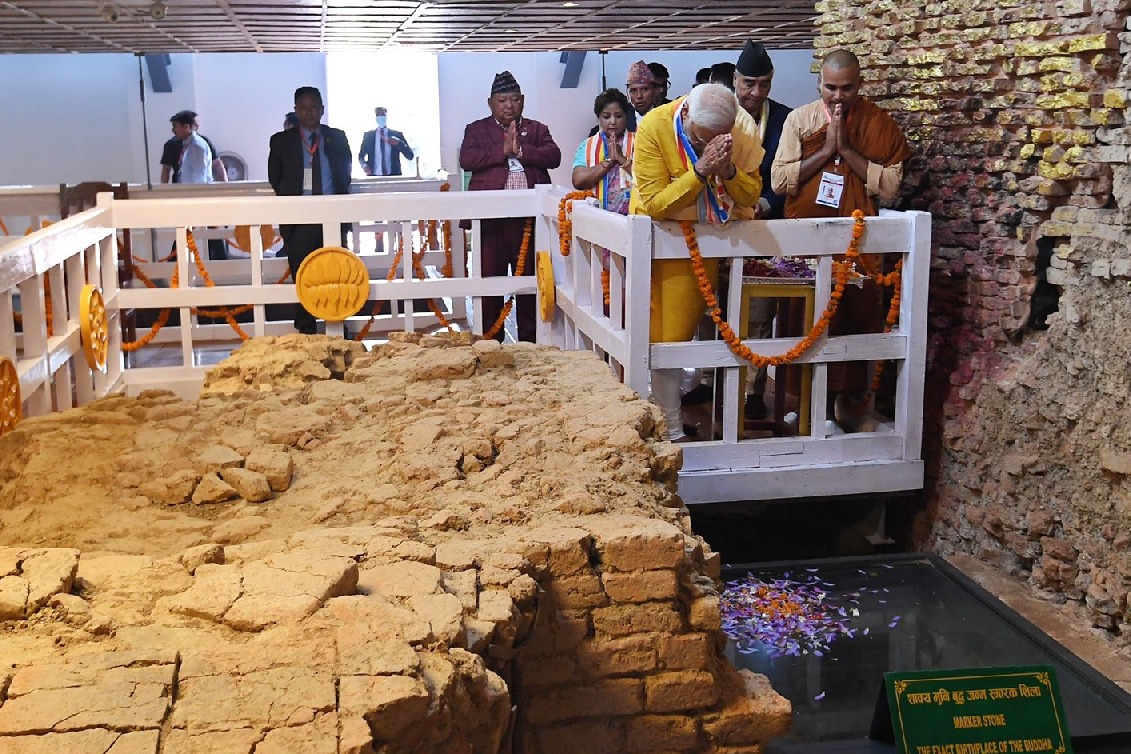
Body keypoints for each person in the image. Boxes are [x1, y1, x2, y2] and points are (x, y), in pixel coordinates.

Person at [770, 48, 913, 431]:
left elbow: (890, 187)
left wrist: (847, 150)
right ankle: (807, 407)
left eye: (846, 89)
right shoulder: (801, 120)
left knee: (855, 318)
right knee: (804, 322)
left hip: (858, 245)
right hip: (806, 246)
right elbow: (780, 181)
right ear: (819, 83)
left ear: (860, 85)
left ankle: (849, 409)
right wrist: (827, 151)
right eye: (830, 88)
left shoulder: (877, 123)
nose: (837, 96)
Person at [631, 83, 765, 441]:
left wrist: (730, 172)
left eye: (715, 140)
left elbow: (751, 195)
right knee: (667, 336)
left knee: (711, 334)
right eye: (700, 139)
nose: (708, 146)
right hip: (665, 243)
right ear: (686, 112)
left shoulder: (743, 128)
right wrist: (701, 171)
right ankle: (671, 429)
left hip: (718, 242)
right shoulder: (655, 125)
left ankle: (676, 420)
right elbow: (656, 204)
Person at [458, 71, 561, 343]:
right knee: (489, 283)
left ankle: (530, 343)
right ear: (490, 103)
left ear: (522, 101)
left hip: (529, 222)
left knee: (530, 283)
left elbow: (554, 156)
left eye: (514, 99)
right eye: (502, 100)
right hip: (490, 222)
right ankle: (491, 342)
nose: (509, 105)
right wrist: (502, 152)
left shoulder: (537, 129)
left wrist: (522, 151)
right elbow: (467, 159)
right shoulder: (476, 129)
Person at [733, 40, 794, 419]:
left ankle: (751, 391)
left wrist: (765, 204)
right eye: (749, 84)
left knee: (757, 311)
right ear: (735, 80)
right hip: (718, 226)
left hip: (765, 226)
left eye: (764, 84)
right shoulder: (716, 113)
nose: (756, 92)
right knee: (712, 309)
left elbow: (791, 175)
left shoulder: (787, 120)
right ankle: (709, 381)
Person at [267, 86, 353, 334]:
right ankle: (306, 329)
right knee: (302, 272)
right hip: (299, 217)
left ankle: (337, 324)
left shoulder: (337, 137)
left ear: (322, 109)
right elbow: (276, 177)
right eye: (304, 107)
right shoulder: (281, 141)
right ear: (296, 110)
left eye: (314, 107)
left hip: (332, 214)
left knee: (335, 272)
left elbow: (345, 172)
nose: (309, 112)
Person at [572, 88, 635, 213]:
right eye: (606, 117)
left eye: (618, 116)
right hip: (597, 216)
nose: (613, 122)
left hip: (633, 216)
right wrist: (609, 162)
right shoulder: (588, 144)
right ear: (598, 118)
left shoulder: (639, 141)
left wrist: (621, 159)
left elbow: (647, 179)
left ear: (626, 117)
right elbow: (578, 181)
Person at [160, 110, 228, 184]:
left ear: (186, 127)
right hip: (185, 188)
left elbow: (200, 177)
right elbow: (166, 169)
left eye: (176, 126)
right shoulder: (180, 144)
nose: (173, 130)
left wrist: (226, 185)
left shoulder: (197, 146)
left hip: (194, 189)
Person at [359, 107, 415, 176]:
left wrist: (399, 143)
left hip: (393, 177)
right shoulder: (369, 136)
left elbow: (410, 156)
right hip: (374, 177)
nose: (380, 117)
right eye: (378, 115)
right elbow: (361, 156)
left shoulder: (397, 135)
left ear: (386, 116)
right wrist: (364, 165)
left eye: (382, 114)